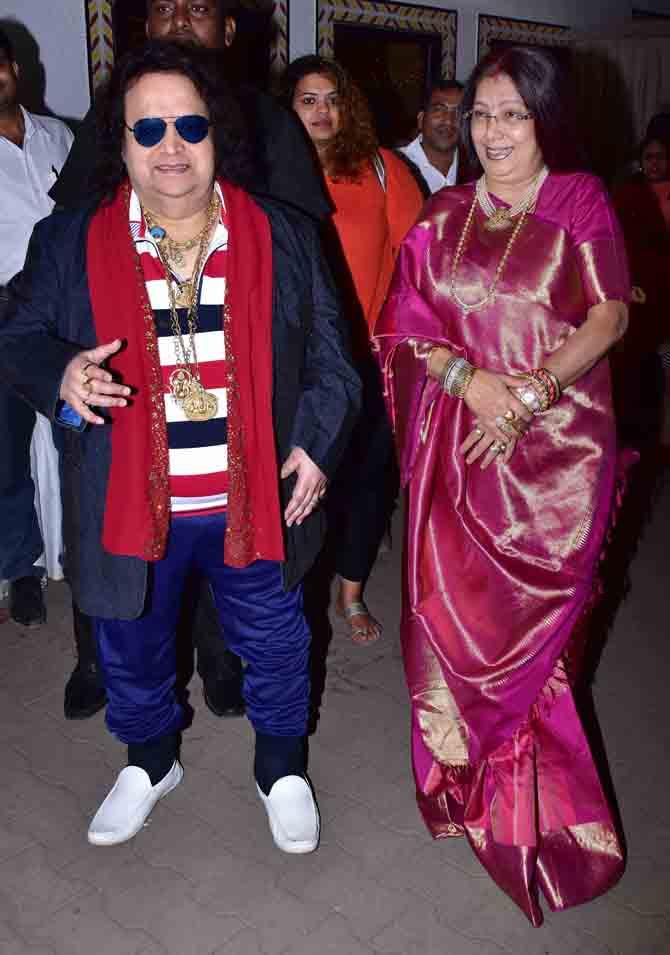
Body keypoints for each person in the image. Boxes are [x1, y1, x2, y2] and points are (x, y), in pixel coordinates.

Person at [0, 41, 360, 850]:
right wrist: (60, 372)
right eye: (148, 127)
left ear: (217, 133)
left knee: (277, 644)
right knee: (130, 648)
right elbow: (14, 334)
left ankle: (281, 768)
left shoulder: (285, 235)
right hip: (125, 497)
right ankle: (150, 761)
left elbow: (336, 366)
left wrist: (315, 446)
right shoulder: (69, 242)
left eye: (190, 125)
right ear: (121, 142)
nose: (171, 145)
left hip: (256, 496)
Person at [374, 46, 630, 925]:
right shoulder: (443, 212)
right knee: (448, 624)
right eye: (480, 114)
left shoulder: (578, 200)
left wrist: (528, 394)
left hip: (554, 465)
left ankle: (538, 825)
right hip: (456, 456)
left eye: (512, 113)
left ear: (544, 119)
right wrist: (467, 381)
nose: (491, 132)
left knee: (539, 654)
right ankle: (464, 786)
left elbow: (610, 315)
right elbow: (402, 321)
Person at [50, 0, 332, 722]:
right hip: (124, 426)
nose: (178, 18)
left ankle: (222, 662)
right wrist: (61, 366)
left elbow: (311, 309)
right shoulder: (95, 169)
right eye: (164, 6)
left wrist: (313, 429)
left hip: (243, 414)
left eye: (197, 7)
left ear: (228, 31)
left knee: (248, 583)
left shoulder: (268, 135)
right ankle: (105, 674)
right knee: (123, 588)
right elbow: (42, 292)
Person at [283, 55, 423, 643]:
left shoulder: (382, 168)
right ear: (287, 108)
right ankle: (294, 593)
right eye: (308, 99)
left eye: (332, 99)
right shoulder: (266, 172)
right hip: (294, 364)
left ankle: (352, 590)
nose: (322, 111)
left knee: (367, 482)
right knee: (298, 483)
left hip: (369, 360)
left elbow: (419, 261)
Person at [0, 26, 72, 627]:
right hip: (3, 315)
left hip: (64, 311)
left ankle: (81, 546)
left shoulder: (59, 136)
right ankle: (20, 567)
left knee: (78, 432)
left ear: (14, 70)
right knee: (6, 448)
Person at [612, 135, 670, 447]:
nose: (655, 164)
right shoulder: (628, 194)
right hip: (638, 292)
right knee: (639, 370)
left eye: (661, 157)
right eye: (649, 157)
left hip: (665, 290)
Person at [397, 80, 466, 196]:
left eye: (458, 112)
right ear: (421, 119)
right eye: (439, 110)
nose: (449, 120)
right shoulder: (396, 167)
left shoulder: (476, 172)